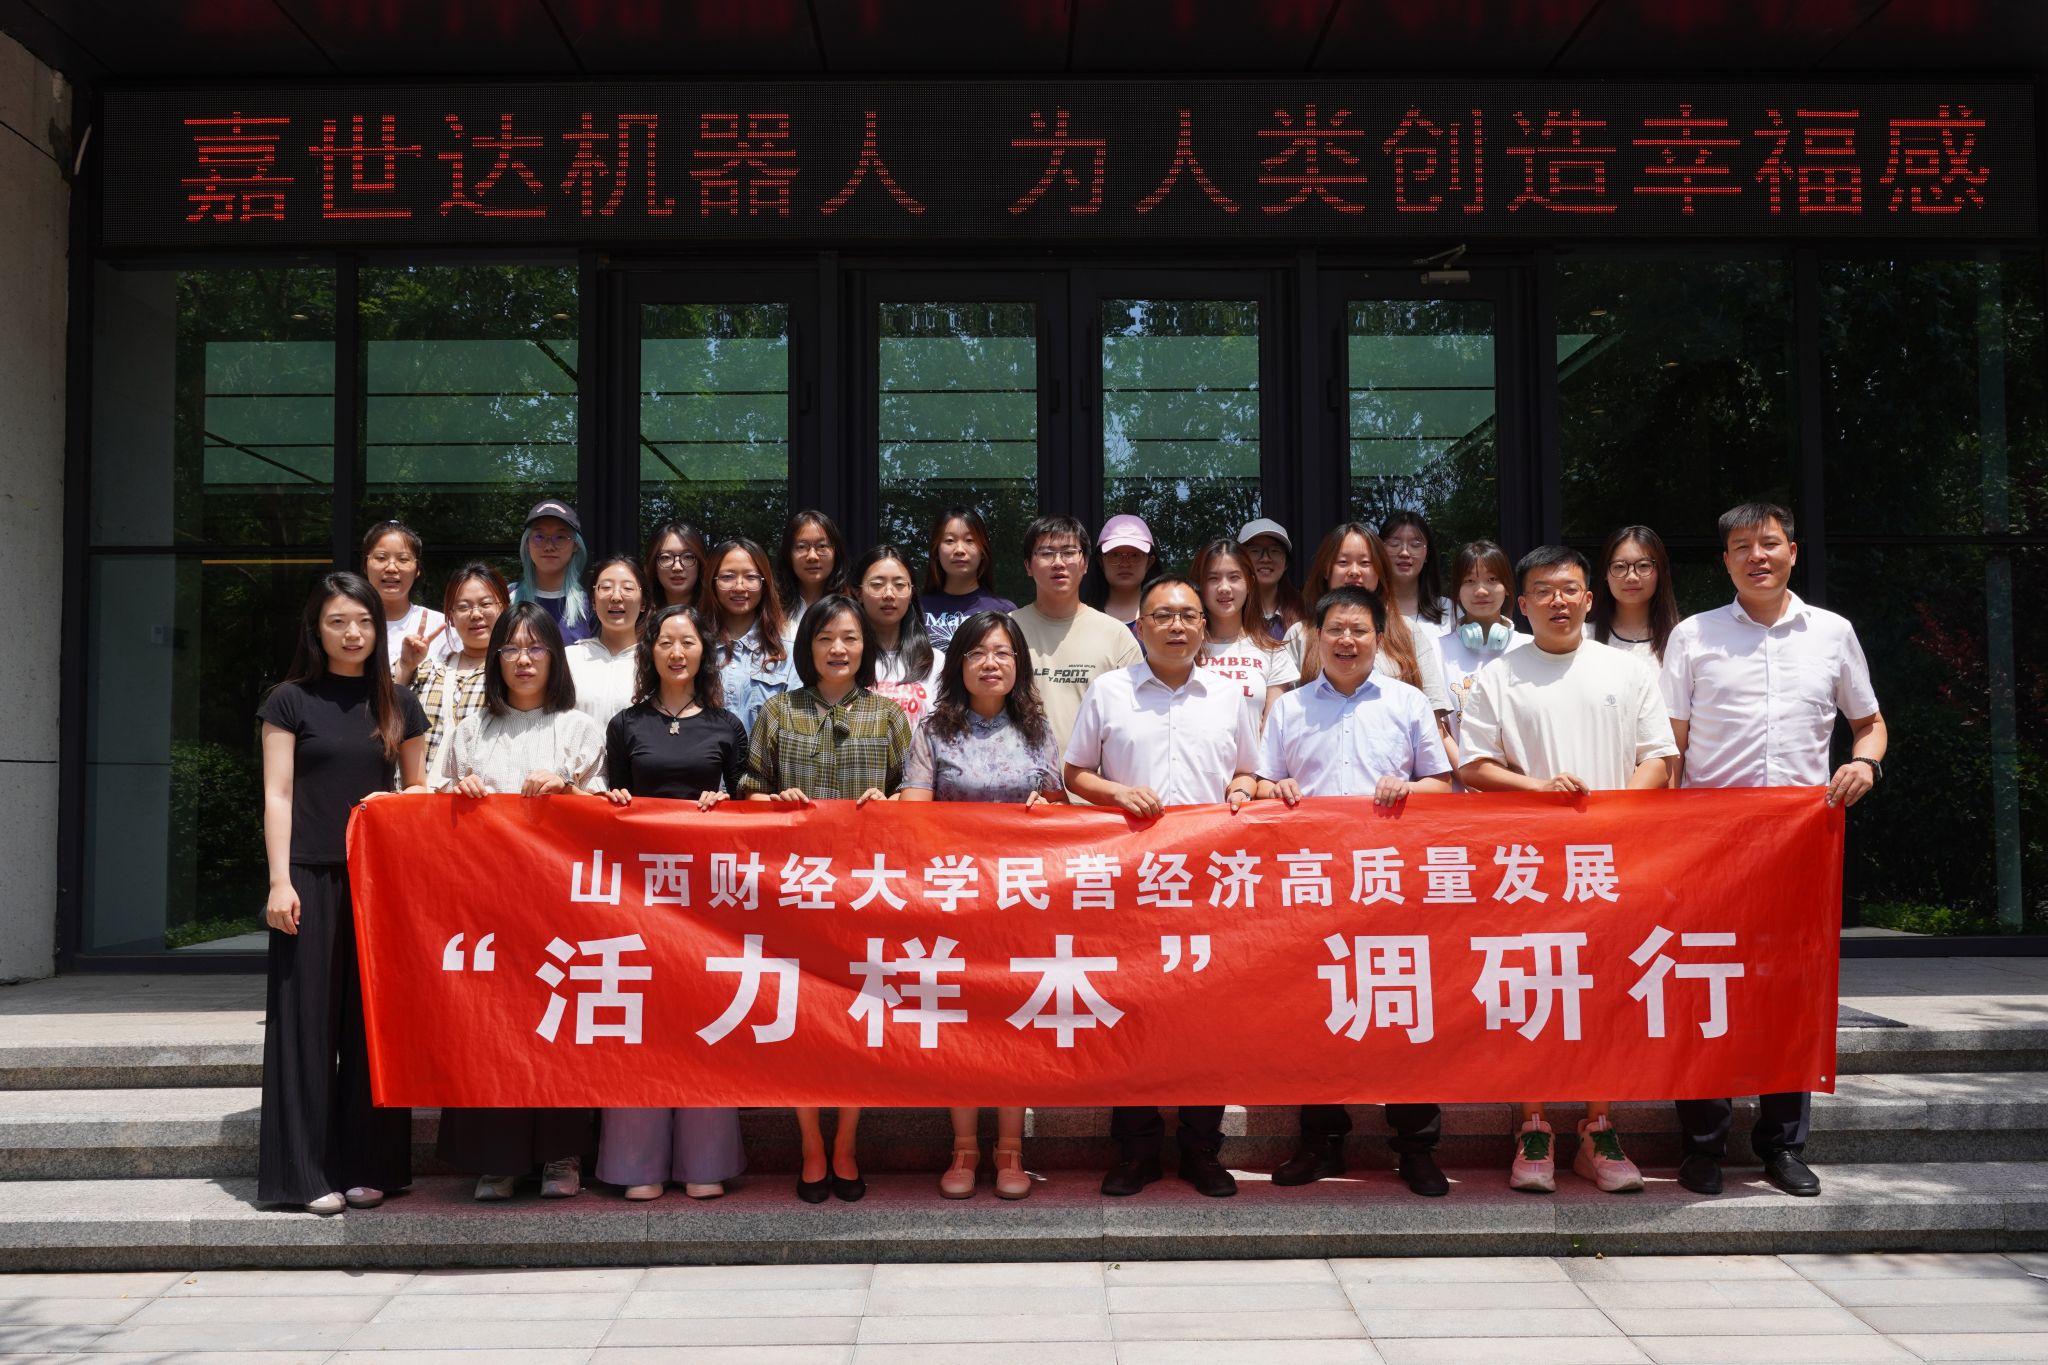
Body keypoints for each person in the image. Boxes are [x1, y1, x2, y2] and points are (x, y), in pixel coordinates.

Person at [1660, 501, 1887, 1200]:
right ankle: (1702, 1145)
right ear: (1725, 560)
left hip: (1797, 843)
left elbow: (1870, 722)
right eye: (1740, 546)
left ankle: (1783, 1146)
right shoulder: (1694, 636)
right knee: (1706, 985)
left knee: (1789, 993)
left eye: (1768, 543)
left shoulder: (1832, 632)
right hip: (1708, 846)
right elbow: (1670, 747)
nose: (1755, 556)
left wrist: (1865, 763)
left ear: (1792, 550)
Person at [1457, 545, 1678, 1196]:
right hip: (1525, 864)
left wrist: (1613, 815)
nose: (1558, 601)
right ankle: (1534, 1126)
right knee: (1532, 985)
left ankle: (1598, 1126)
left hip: (1608, 859)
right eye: (1543, 590)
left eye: (1570, 589)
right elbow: (1474, 765)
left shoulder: (1626, 670)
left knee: (1603, 989)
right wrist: (1539, 791)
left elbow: (1658, 758)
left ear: (1589, 598)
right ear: (1522, 604)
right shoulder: (1499, 675)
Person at [1063, 575, 1260, 1200]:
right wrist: (1120, 793)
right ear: (1140, 626)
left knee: (1209, 1017)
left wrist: (1241, 790)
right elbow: (1075, 773)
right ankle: (1137, 1150)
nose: (1177, 626)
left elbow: (1249, 771)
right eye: (1163, 616)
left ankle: (1202, 1149)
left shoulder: (1228, 695)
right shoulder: (1110, 690)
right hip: (1133, 881)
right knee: (1132, 1010)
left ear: (1204, 626)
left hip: (1208, 883)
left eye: (1188, 616)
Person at [1255, 586, 1454, 1198]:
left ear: (1378, 638)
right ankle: (1320, 1141)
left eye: (1359, 630)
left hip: (1389, 884)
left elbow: (1444, 786)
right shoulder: (1289, 708)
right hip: (1312, 886)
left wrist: (1408, 788)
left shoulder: (1407, 700)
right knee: (1318, 1014)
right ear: (1316, 638)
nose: (1347, 641)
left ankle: (1416, 1148)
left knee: (1403, 1011)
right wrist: (1278, 790)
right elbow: (1261, 784)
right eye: (1335, 630)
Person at [256, 571, 427, 1214]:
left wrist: (400, 802)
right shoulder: (288, 701)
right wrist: (279, 880)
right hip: (308, 875)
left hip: (379, 883)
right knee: (304, 1025)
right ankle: (303, 1175)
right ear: (316, 629)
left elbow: (417, 792)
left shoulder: (399, 703)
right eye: (337, 622)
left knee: (371, 1027)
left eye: (363, 621)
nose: (352, 633)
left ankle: (369, 1166)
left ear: (378, 629)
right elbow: (278, 794)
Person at [431, 602, 607, 1202]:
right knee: (491, 1029)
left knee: (558, 1024)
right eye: (511, 648)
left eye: (536, 648)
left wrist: (569, 791)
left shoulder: (580, 728)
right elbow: (431, 811)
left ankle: (562, 1154)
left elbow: (608, 817)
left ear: (555, 657)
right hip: (485, 907)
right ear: (496, 658)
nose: (523, 660)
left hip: (559, 906)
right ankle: (496, 1158)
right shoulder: (470, 731)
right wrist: (456, 793)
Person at [740, 595, 913, 1205]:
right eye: (825, 639)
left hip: (867, 893)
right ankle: (811, 1143)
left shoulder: (888, 715)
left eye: (850, 638)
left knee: (856, 1021)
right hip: (795, 890)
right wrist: (775, 803)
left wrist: (891, 804)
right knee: (802, 1025)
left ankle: (846, 1143)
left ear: (866, 647)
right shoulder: (777, 711)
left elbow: (914, 796)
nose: (838, 649)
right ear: (807, 646)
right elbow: (748, 792)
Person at [899, 611, 1066, 1200]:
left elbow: (1060, 814)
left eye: (1002, 653)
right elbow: (914, 814)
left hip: (1020, 903)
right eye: (977, 653)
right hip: (955, 901)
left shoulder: (1038, 731)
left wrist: (1048, 811)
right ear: (958, 664)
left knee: (1015, 1023)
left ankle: (1011, 1149)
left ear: (1018, 664)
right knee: (960, 1025)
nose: (990, 664)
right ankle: (965, 1148)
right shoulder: (932, 732)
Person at [598, 604, 749, 1203]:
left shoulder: (727, 725)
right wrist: (614, 801)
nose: (677, 652)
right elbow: (609, 796)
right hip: (639, 895)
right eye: (665, 642)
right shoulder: (626, 723)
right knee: (639, 1018)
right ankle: (636, 1162)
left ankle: (705, 1158)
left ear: (704, 651)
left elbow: (747, 808)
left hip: (710, 897)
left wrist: (726, 805)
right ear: (650, 652)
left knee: (706, 1018)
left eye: (688, 641)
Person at [1288, 524, 1455, 722]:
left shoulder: (1407, 630)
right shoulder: (1299, 634)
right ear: (1326, 570)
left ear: (1379, 571)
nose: (1354, 571)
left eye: (1365, 563)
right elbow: (1288, 712)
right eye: (1343, 562)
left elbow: (1433, 715)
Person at [1010, 516, 1144, 756]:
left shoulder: (1116, 636)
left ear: (1085, 564)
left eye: (1069, 552)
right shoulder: (1007, 630)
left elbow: (1138, 718)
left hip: (1094, 778)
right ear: (1028, 566)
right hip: (1019, 776)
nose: (1058, 562)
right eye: (1046, 553)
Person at [1435, 540, 1532, 762]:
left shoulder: (1531, 646)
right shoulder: (1435, 651)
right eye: (1469, 581)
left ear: (1508, 587)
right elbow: (1437, 729)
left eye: (1492, 579)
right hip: (1461, 782)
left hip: (1525, 780)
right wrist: (1472, 775)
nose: (1480, 590)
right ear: (1457, 590)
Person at [411, 562, 508, 776]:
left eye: (485, 604)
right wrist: (405, 666)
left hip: (488, 793)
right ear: (451, 617)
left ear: (504, 608)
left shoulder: (516, 673)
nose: (476, 614)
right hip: (424, 794)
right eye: (463, 607)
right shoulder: (428, 672)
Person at [1191, 536, 1297, 728]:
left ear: (1250, 583)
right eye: (1213, 578)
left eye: (1234, 577)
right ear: (1201, 586)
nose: (1224, 588)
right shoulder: (1184, 649)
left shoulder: (1273, 651)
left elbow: (1271, 732)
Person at [708, 537, 795, 734]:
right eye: (728, 577)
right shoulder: (696, 647)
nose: (739, 587)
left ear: (764, 584)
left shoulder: (787, 652)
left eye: (750, 577)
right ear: (713, 583)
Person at [853, 544, 945, 724]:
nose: (889, 594)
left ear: (911, 593)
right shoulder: (846, 658)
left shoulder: (935, 661)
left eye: (900, 585)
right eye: (877, 584)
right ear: (858, 593)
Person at [362, 520, 448, 683]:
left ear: (417, 569)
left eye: (403, 559)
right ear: (365, 565)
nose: (391, 568)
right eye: (381, 558)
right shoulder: (348, 625)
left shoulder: (440, 627)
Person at [567, 556, 648, 726]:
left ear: (643, 603)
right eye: (606, 587)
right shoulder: (569, 658)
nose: (616, 597)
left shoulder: (654, 661)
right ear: (593, 601)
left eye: (628, 588)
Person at [921, 506, 1015, 650]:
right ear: (936, 551)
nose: (959, 550)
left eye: (969, 540)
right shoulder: (917, 609)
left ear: (983, 551)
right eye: (949, 540)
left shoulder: (1004, 611)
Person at [1589, 523, 1681, 666]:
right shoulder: (1583, 637)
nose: (1631, 577)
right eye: (1619, 566)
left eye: (1643, 565)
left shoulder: (1683, 638)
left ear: (1660, 572)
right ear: (1605, 574)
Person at [510, 499, 594, 646]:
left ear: (576, 545)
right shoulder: (507, 597)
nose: (549, 546)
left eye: (560, 537)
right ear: (527, 543)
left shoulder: (590, 605)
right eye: (539, 537)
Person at [774, 508, 850, 640]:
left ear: (836, 552)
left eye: (822, 546)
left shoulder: (852, 607)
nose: (812, 556)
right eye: (801, 547)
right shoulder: (772, 608)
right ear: (788, 554)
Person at [1381, 510, 1454, 637]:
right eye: (1394, 544)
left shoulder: (1448, 610)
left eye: (1415, 545)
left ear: (1427, 554)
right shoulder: (1366, 610)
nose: (1404, 553)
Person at [1085, 513, 1157, 627]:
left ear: (1149, 562)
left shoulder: (1165, 617)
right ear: (1101, 561)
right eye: (1115, 555)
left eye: (1134, 555)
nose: (1125, 564)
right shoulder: (1083, 619)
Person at [1239, 517, 1305, 638]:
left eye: (1274, 551)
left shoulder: (1304, 611)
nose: (1265, 558)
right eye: (1255, 551)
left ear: (1286, 563)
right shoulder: (1230, 612)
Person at [643, 520, 714, 618]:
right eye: (666, 557)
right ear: (654, 565)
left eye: (688, 557)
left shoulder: (717, 618)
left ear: (700, 563)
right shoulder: (638, 618)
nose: (677, 567)